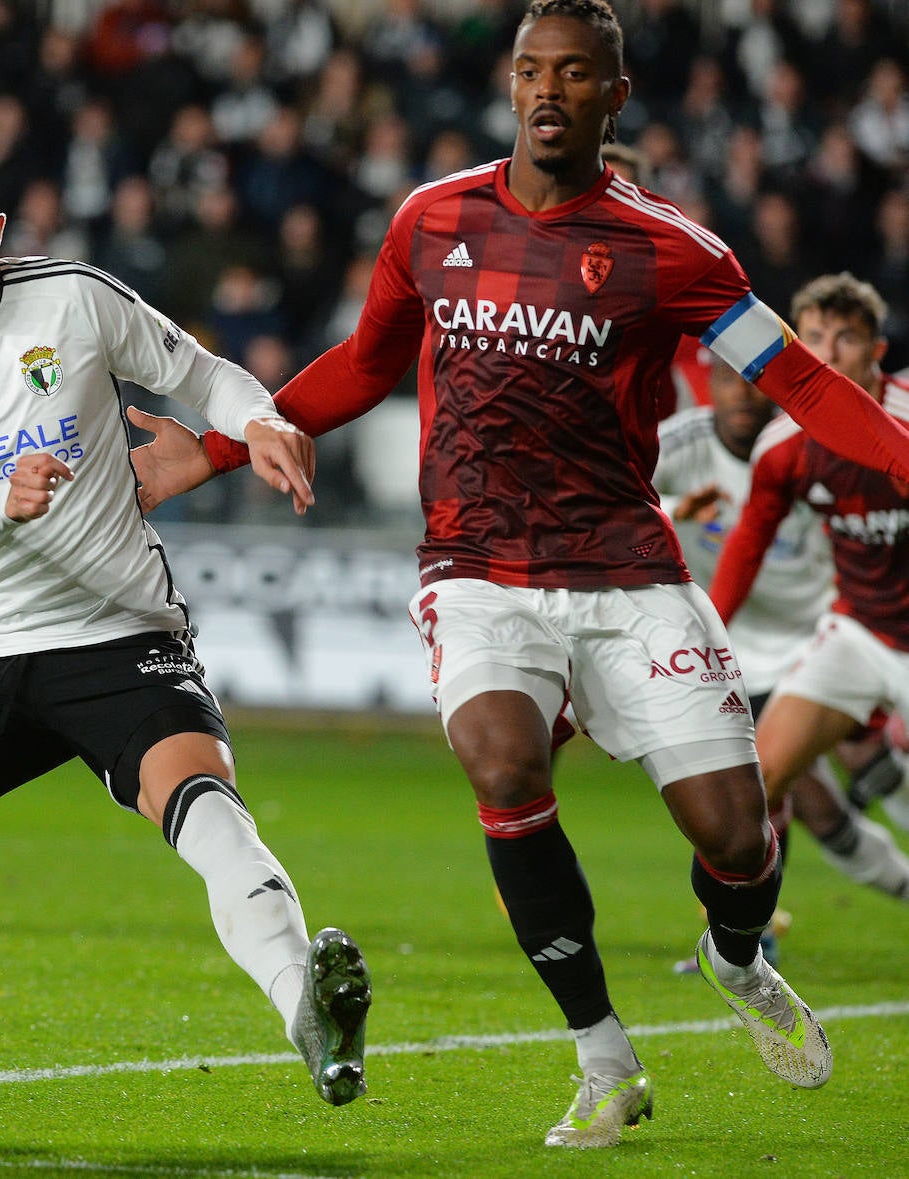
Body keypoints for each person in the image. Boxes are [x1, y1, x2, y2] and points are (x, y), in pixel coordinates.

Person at [131, 0, 909, 1148]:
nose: (548, 90)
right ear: (508, 86)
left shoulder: (673, 252)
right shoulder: (431, 219)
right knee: (501, 765)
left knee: (738, 838)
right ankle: (603, 1058)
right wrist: (216, 444)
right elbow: (363, 363)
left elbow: (797, 381)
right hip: (477, 564)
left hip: (626, 570)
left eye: (576, 73)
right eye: (530, 69)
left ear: (615, 96)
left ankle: (736, 955)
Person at [0, 137, 372, 1113]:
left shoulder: (74, 299)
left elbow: (205, 375)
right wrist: (1, 501)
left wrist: (263, 420)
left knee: (203, 805)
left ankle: (309, 1018)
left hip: (122, 636)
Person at [654, 353, 909, 957]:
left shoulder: (816, 440)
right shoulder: (678, 446)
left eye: (752, 383)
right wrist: (672, 513)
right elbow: (606, 501)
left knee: (867, 766)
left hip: (822, 629)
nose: (741, 396)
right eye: (725, 382)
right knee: (782, 797)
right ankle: (750, 934)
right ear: (706, 386)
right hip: (737, 643)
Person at [708, 272, 909, 851]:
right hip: (859, 632)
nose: (828, 351)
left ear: (876, 352)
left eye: (846, 337)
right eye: (814, 336)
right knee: (756, 783)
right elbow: (746, 545)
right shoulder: (783, 447)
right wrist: (710, 638)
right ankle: (742, 940)